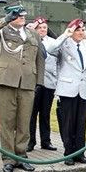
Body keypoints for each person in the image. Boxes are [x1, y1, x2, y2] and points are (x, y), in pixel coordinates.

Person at [0, 5, 43, 172]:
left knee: (24, 122)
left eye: (22, 15)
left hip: (27, 82)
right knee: (7, 122)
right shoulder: (1, 32)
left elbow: (40, 59)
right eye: (16, 15)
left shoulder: (33, 34)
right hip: (6, 81)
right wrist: (6, 19)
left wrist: (39, 81)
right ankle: (8, 158)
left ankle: (21, 156)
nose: (21, 17)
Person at [47, 19, 86, 166]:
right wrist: (64, 35)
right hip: (67, 89)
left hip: (84, 89)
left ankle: (80, 153)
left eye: (82, 30)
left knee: (81, 123)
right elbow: (50, 49)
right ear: (71, 31)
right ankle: (68, 153)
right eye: (77, 30)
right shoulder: (64, 45)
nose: (81, 33)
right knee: (67, 123)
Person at [27, 18, 58, 152]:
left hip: (48, 82)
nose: (43, 30)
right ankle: (30, 141)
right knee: (31, 114)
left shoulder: (53, 43)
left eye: (45, 28)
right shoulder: (30, 41)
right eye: (40, 28)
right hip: (34, 82)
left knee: (45, 114)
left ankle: (46, 141)